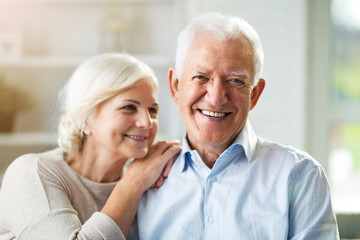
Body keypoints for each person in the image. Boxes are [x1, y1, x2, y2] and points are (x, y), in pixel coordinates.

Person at [129, 12, 340, 239]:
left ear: (255, 94)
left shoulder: (300, 176)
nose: (216, 97)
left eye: (235, 81)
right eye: (201, 77)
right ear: (175, 86)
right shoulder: (138, 179)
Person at [0, 53, 181, 239]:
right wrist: (132, 183)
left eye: (153, 110)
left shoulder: (151, 182)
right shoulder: (31, 172)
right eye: (129, 107)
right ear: (86, 119)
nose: (147, 122)